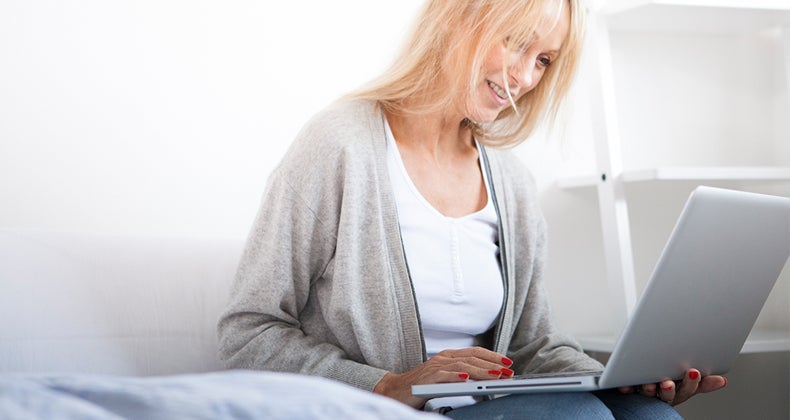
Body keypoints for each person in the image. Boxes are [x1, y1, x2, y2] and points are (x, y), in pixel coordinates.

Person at [217, 0, 727, 418]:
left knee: (651, 418)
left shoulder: (511, 179)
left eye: (544, 59)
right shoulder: (341, 144)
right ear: (459, 15)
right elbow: (249, 333)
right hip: (384, 410)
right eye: (516, 41)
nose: (525, 75)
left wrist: (620, 379)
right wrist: (390, 385)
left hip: (494, 406)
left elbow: (533, 345)